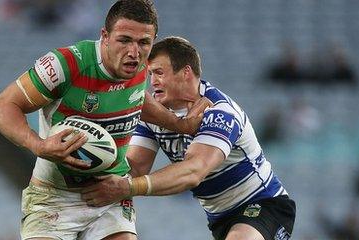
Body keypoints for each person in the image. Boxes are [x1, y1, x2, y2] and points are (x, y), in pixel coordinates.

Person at [0, 1, 209, 239]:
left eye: (144, 42)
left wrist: (178, 123)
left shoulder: (141, 65)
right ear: (105, 36)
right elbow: (0, 109)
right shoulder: (66, 64)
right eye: (124, 40)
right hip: (54, 196)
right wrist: (39, 145)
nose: (134, 52)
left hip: (110, 194)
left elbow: (136, 98)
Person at [81, 37, 296, 240]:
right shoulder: (155, 115)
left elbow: (194, 171)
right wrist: (91, 169)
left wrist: (128, 188)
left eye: (159, 73)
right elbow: (135, 168)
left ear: (185, 73)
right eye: (149, 75)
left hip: (263, 203)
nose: (153, 82)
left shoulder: (220, 113)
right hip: (219, 218)